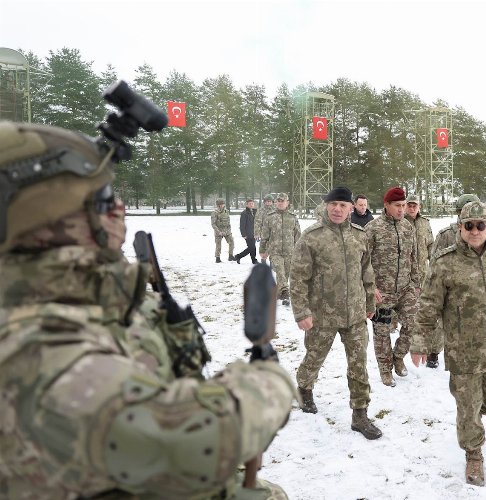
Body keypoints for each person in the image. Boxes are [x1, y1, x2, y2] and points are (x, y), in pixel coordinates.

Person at [0, 121, 296, 499]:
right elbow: (196, 441)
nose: (119, 208)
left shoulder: (71, 292)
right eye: (104, 199)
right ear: (47, 216)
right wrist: (265, 383)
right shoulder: (37, 348)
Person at [411, 201, 486, 487]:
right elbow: (428, 306)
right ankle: (473, 454)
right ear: (459, 228)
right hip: (462, 351)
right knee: (467, 407)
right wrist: (419, 342)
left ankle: (475, 413)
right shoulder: (445, 262)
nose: (475, 231)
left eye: (480, 225)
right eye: (469, 225)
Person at [290, 186, 382, 440]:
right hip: (322, 315)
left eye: (343, 205)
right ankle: (304, 388)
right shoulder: (312, 237)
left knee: (359, 365)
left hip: (354, 314)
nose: (338, 209)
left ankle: (360, 414)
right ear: (326, 206)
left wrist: (369, 304)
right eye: (333, 204)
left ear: (352, 208)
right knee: (314, 357)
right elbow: (298, 278)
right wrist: (302, 312)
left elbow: (367, 272)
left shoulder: (359, 235)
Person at [365, 186, 419, 387]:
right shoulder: (373, 228)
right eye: (397, 205)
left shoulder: (407, 227)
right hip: (381, 292)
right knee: (382, 332)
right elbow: (364, 261)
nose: (401, 209)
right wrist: (371, 288)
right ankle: (385, 370)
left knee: (415, 323)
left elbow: (413, 258)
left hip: (405, 289)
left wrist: (416, 283)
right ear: (386, 205)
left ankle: (398, 356)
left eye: (403, 205)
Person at [425, 193, 480, 368]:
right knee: (442, 324)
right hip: (449, 288)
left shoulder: (485, 234)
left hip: (475, 287)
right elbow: (434, 263)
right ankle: (433, 352)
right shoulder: (446, 235)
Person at [260, 193, 300, 306]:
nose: (280, 203)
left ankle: (279, 292)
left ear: (287, 202)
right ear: (276, 202)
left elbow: (298, 236)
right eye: (278, 201)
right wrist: (262, 250)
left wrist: (300, 251)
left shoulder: (293, 217)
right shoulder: (270, 217)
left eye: (283, 201)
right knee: (280, 272)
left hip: (290, 252)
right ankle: (285, 292)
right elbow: (265, 236)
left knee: (285, 274)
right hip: (275, 251)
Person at [235, 198, 258, 264]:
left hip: (254, 233)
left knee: (252, 247)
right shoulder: (244, 213)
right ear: (247, 204)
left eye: (252, 203)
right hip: (248, 233)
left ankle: (253, 259)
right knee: (252, 247)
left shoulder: (255, 211)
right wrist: (244, 234)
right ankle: (239, 256)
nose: (251, 205)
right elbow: (242, 225)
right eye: (250, 204)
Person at [211, 198, 234, 263]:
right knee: (218, 245)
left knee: (231, 242)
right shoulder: (214, 213)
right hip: (219, 232)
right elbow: (213, 224)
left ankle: (230, 256)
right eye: (220, 204)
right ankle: (217, 258)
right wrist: (218, 232)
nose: (222, 205)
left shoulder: (226, 211)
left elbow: (228, 222)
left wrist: (229, 230)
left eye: (223, 204)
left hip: (227, 231)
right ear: (218, 205)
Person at [255, 194, 276, 264]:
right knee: (263, 249)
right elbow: (257, 222)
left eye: (270, 201)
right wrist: (257, 233)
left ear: (272, 202)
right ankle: (263, 260)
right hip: (264, 232)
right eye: (267, 201)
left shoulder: (276, 210)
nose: (268, 203)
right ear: (264, 202)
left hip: (274, 232)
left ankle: (272, 262)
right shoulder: (261, 210)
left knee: (274, 248)